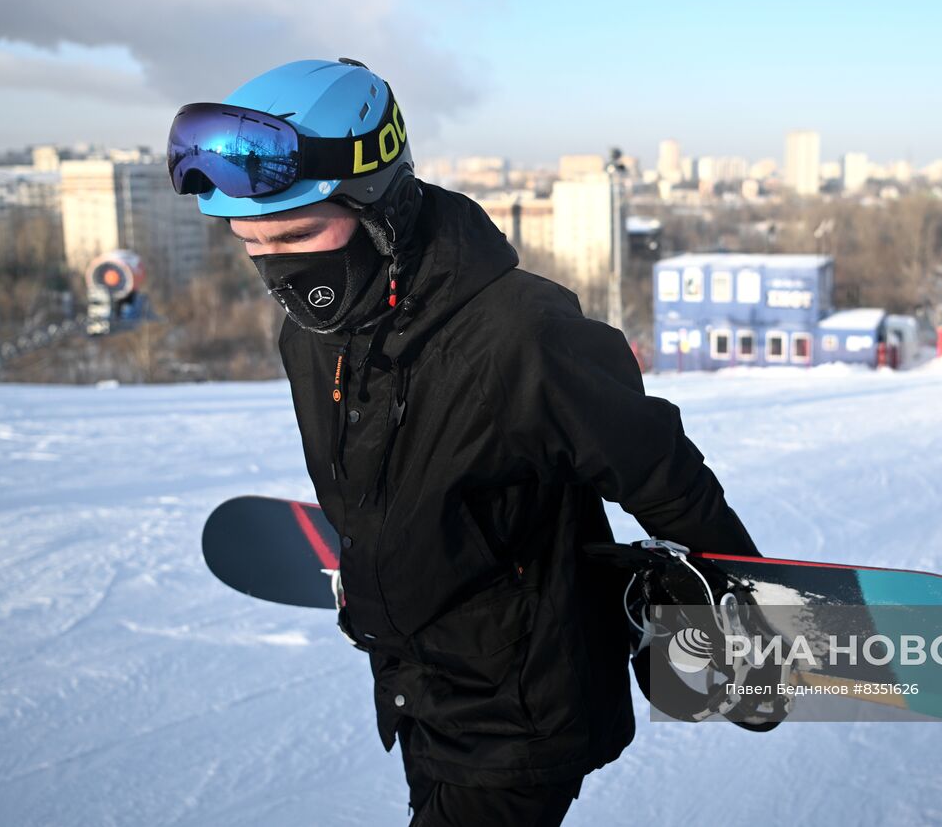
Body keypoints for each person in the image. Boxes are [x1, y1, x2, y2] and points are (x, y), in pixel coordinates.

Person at [167, 59, 763, 825]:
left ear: (378, 197)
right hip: (419, 695)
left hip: (519, 718)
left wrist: (749, 625)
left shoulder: (523, 333)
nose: (280, 267)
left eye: (299, 232)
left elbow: (660, 469)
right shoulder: (312, 338)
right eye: (252, 242)